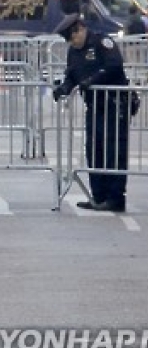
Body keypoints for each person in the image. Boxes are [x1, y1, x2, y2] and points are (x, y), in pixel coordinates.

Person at [52, 13, 130, 212]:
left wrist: (92, 81)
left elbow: (114, 67)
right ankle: (98, 196)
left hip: (114, 105)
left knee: (113, 151)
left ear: (80, 28)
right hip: (94, 106)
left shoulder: (102, 43)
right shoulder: (74, 51)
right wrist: (64, 88)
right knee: (94, 150)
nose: (73, 42)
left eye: (73, 37)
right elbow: (71, 74)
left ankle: (115, 198)